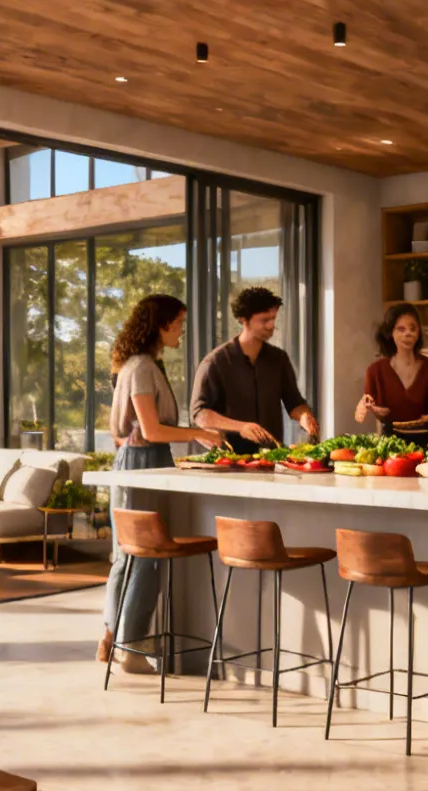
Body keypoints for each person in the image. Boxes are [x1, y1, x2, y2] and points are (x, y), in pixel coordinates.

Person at [99, 294, 224, 674]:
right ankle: (131, 649)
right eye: (179, 322)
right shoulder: (141, 367)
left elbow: (127, 429)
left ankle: (113, 638)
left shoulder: (140, 365)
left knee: (128, 556)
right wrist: (199, 434)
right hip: (144, 464)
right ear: (161, 324)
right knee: (146, 557)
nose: (182, 330)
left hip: (139, 462)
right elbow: (152, 430)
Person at [191, 286, 319, 454]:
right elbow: (199, 414)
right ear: (243, 320)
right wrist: (241, 427)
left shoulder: (279, 359)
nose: (271, 325)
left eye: (273, 318)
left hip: (272, 456)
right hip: (229, 458)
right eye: (264, 320)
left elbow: (294, 402)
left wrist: (304, 416)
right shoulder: (215, 362)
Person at [355, 303, 428, 447]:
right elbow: (370, 416)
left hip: (425, 450)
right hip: (389, 449)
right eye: (401, 329)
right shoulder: (375, 371)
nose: (408, 333)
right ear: (390, 332)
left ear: (418, 333)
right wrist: (373, 411)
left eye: (413, 328)